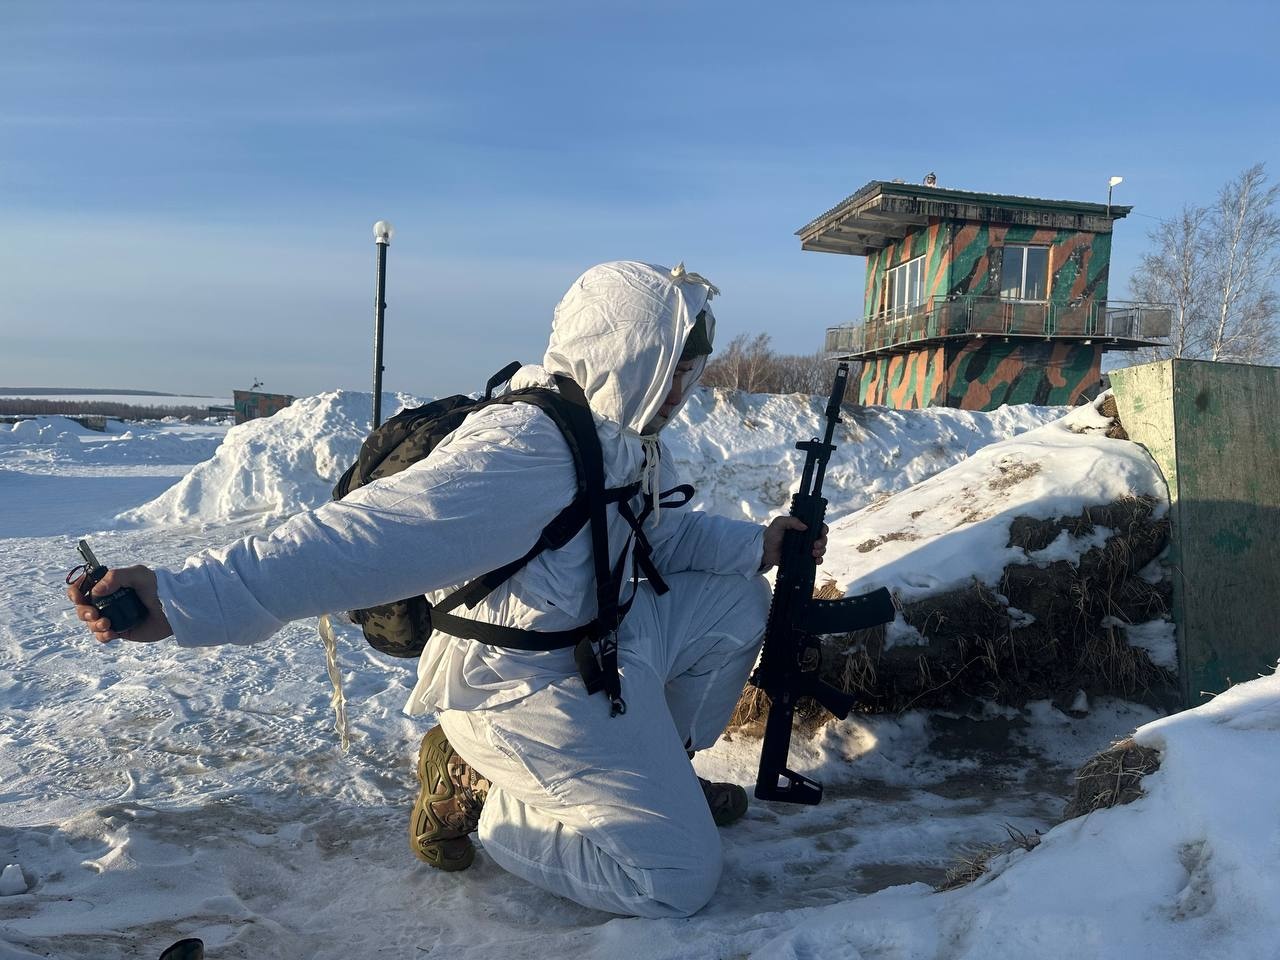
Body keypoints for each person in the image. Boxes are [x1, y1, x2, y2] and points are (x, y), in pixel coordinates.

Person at [68, 260, 827, 918]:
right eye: (676, 368)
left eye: (691, 371)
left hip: (598, 648)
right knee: (678, 882)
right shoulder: (526, 449)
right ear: (628, 354)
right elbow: (359, 539)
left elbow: (656, 538)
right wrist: (182, 597)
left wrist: (759, 544)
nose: (685, 388)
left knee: (735, 604)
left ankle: (653, 782)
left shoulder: (621, 437)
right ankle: (485, 792)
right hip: (521, 689)